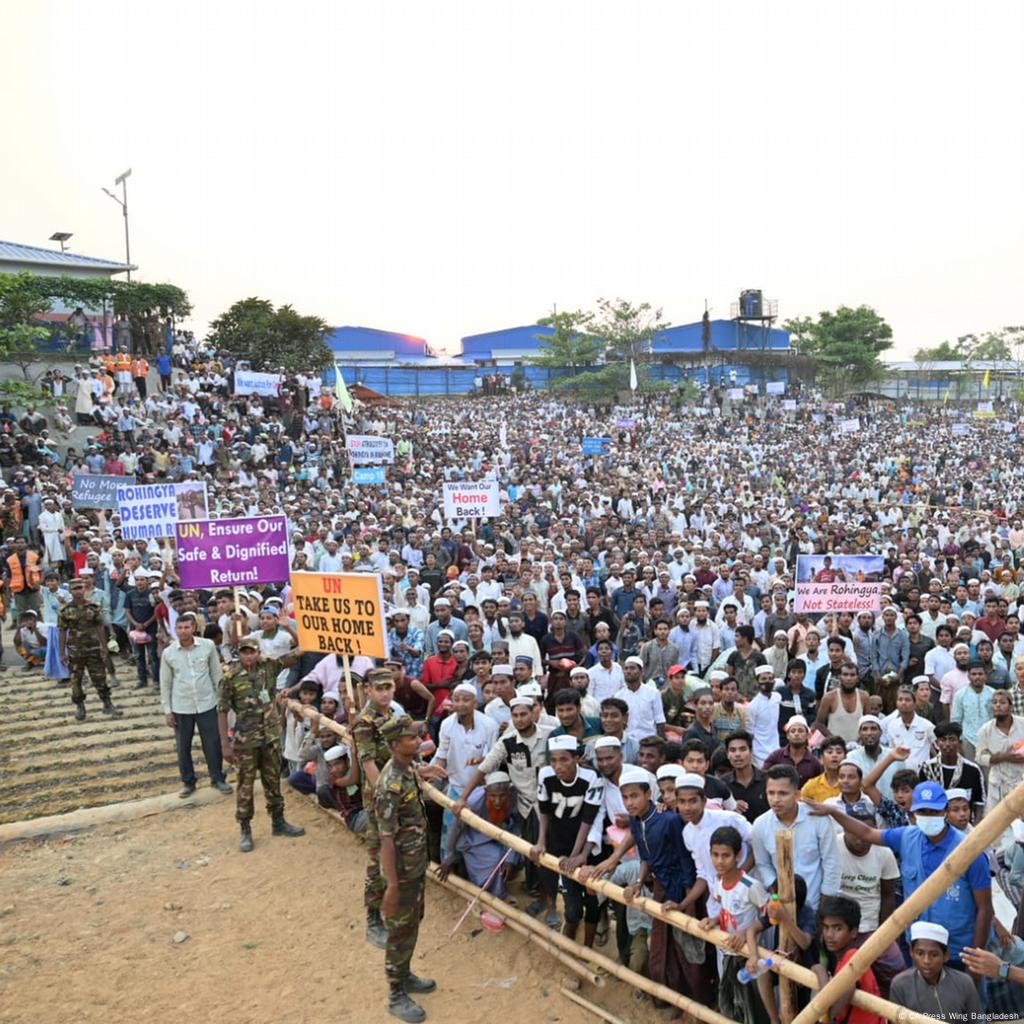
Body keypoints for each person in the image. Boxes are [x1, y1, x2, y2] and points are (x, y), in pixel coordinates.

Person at [807, 782, 993, 969]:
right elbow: (867, 832)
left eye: (934, 812)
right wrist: (833, 812)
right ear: (913, 814)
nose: (928, 817)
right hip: (919, 947)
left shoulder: (970, 851)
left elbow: (984, 908)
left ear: (944, 812)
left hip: (957, 950)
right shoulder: (907, 837)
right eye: (923, 812)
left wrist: (975, 961)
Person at [216, 635, 305, 852]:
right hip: (246, 741)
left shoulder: (269, 667)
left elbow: (293, 656)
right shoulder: (230, 677)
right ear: (239, 653)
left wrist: (307, 640)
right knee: (246, 785)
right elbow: (222, 710)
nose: (248, 656)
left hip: (270, 737)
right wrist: (224, 745)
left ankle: (278, 821)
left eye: (252, 652)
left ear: (258, 652)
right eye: (244, 652)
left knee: (272, 780)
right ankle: (245, 828)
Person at [375, 715, 436, 1024]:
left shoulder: (407, 767)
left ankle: (406, 973)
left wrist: (427, 771)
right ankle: (395, 992)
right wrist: (392, 887)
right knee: (399, 930)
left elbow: (415, 776)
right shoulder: (389, 785)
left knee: (413, 922)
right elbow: (385, 840)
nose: (418, 740)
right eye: (412, 738)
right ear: (396, 744)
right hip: (401, 870)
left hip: (415, 865)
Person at [529, 735, 602, 937]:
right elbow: (544, 811)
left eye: (564, 759)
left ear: (576, 758)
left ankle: (588, 948)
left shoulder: (590, 778)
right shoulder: (545, 775)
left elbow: (588, 819)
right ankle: (568, 937)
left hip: (585, 846)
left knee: (593, 902)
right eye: (553, 760)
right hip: (559, 841)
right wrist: (541, 841)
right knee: (573, 908)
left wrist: (577, 854)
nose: (558, 766)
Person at [701, 824, 772, 1024]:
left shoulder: (750, 885)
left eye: (725, 856)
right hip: (728, 952)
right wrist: (714, 920)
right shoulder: (718, 882)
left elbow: (770, 916)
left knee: (754, 1006)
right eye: (715, 855)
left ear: (738, 855)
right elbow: (726, 908)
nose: (719, 861)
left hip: (749, 955)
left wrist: (746, 932)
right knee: (730, 1002)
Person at [353, 667, 402, 949]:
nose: (385, 693)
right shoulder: (365, 722)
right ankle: (373, 919)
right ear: (368, 690)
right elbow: (368, 763)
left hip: (397, 794)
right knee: (378, 859)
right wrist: (385, 798)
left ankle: (392, 905)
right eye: (379, 688)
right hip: (379, 800)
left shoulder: (392, 715)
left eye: (389, 687)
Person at [159, 612, 232, 798]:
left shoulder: (207, 646)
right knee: (183, 746)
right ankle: (188, 782)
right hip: (181, 706)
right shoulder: (169, 653)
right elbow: (165, 683)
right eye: (180, 628)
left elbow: (216, 674)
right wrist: (168, 711)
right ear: (175, 630)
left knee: (213, 743)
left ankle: (218, 778)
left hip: (207, 703)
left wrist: (223, 700)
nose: (183, 631)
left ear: (194, 628)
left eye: (187, 627)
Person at [751, 764, 841, 913]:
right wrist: (777, 893)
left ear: (797, 794)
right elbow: (763, 864)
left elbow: (831, 862)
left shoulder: (818, 819)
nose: (775, 799)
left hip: (815, 905)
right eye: (771, 793)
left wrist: (825, 906)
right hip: (781, 907)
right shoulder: (760, 825)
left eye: (783, 793)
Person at [438, 771, 521, 899]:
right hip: (474, 839)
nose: (497, 801)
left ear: (509, 792)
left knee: (514, 860)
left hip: (502, 836)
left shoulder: (515, 798)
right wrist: (448, 858)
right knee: (495, 859)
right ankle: (496, 896)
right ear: (486, 792)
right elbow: (455, 829)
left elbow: (517, 826)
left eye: (502, 796)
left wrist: (511, 858)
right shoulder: (473, 801)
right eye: (493, 796)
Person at [812, 896, 885, 1024]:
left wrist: (820, 971)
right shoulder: (842, 959)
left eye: (837, 928)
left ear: (853, 932)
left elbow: (829, 1005)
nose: (829, 934)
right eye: (826, 927)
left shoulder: (852, 956)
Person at [890, 922, 984, 1020]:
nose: (926, 961)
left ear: (946, 955)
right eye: (920, 953)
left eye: (934, 955)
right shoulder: (900, 985)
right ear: (911, 952)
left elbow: (977, 1020)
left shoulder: (964, 983)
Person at [58, 577, 120, 722]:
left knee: (100, 678)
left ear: (84, 589)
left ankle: (107, 704)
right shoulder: (65, 610)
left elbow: (99, 626)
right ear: (70, 591)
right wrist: (62, 653)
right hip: (75, 651)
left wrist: (104, 647)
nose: (78, 591)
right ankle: (80, 707)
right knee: (76, 680)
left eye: (80, 587)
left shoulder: (93, 607)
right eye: (75, 588)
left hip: (93, 649)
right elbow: (62, 631)